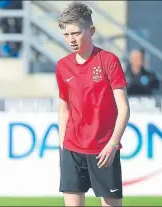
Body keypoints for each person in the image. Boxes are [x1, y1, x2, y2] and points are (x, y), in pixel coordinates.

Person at [55, 2, 130, 207]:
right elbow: (64, 109)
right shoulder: (62, 66)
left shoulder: (109, 60)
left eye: (77, 33)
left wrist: (113, 145)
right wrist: (62, 147)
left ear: (92, 31)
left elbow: (123, 108)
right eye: (66, 34)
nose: (71, 39)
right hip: (72, 148)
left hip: (104, 148)